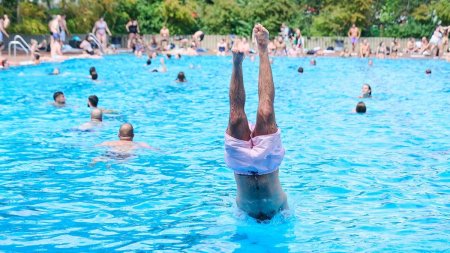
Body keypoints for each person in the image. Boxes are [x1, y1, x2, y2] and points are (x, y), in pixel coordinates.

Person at [224, 24, 287, 221]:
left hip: (242, 166)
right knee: (266, 111)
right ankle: (262, 48)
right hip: (267, 165)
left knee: (238, 118)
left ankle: (238, 61)